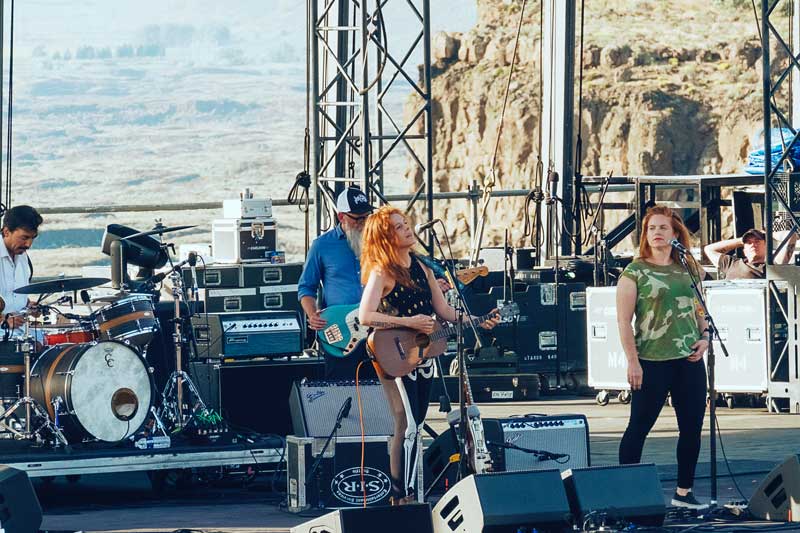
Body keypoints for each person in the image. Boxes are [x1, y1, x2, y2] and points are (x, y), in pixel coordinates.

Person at [358, 206, 499, 504]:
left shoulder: (422, 267)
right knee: (407, 425)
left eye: (406, 223)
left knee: (416, 424)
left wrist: (477, 320)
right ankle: (402, 495)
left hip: (423, 354)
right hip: (393, 354)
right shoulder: (382, 271)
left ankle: (409, 492)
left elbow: (445, 311)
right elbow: (365, 315)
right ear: (385, 236)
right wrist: (407, 322)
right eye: (398, 227)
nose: (407, 229)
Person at [617, 205, 710, 510]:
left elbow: (699, 308)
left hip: (688, 360)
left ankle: (684, 493)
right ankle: (628, 493)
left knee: (692, 427)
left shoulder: (688, 268)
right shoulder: (635, 272)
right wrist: (633, 361)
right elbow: (623, 321)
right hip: (652, 362)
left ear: (675, 234)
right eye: (651, 228)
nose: (657, 233)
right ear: (645, 234)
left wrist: (705, 337)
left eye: (663, 228)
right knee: (639, 427)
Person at [297, 186, 376, 380]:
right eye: (357, 218)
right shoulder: (322, 245)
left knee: (380, 389)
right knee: (342, 386)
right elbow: (306, 287)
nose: (363, 223)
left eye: (367, 217)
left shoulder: (378, 243)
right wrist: (312, 314)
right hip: (341, 330)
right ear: (341, 217)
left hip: (377, 327)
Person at [703, 228, 796, 279]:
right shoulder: (730, 263)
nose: (753, 245)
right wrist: (740, 240)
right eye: (748, 242)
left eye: (757, 241)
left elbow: (791, 235)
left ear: (766, 246)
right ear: (744, 250)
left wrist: (765, 234)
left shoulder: (773, 266)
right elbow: (709, 249)